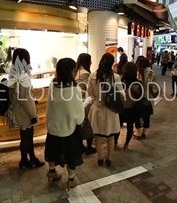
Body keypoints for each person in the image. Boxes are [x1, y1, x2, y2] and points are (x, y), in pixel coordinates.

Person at [45, 58, 90, 189]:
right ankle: (71, 180)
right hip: (68, 129)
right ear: (71, 71)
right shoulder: (73, 89)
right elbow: (77, 114)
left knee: (52, 151)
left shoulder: (52, 84)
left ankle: (52, 172)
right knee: (71, 155)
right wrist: (86, 103)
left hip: (53, 126)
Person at [8, 48, 45, 169]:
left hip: (18, 111)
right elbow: (25, 99)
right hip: (25, 114)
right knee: (28, 137)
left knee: (25, 137)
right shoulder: (22, 76)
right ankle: (28, 160)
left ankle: (27, 159)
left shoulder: (13, 73)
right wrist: (33, 115)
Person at [87, 53, 124, 167]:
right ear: (112, 63)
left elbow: (89, 94)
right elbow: (121, 94)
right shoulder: (115, 77)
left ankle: (99, 158)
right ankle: (109, 158)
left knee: (97, 135)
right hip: (111, 110)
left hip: (96, 108)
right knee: (111, 135)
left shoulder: (92, 76)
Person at [114, 62, 142, 151]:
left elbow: (117, 96)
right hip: (132, 109)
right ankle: (126, 145)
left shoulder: (121, 82)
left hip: (121, 108)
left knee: (118, 127)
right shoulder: (138, 83)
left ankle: (114, 143)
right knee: (130, 127)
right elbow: (140, 97)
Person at [75, 53, 96, 155]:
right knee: (87, 125)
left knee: (79, 125)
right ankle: (89, 147)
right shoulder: (86, 74)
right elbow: (89, 90)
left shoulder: (77, 72)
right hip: (84, 102)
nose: (91, 62)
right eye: (90, 60)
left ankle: (80, 146)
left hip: (77, 102)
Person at [133, 57, 156, 138]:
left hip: (138, 97)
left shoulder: (136, 72)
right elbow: (153, 85)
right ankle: (143, 133)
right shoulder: (150, 72)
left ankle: (138, 132)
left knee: (136, 115)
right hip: (148, 98)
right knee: (147, 116)